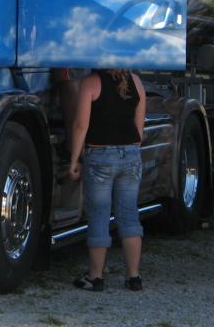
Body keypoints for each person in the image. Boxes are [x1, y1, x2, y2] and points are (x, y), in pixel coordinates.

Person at [67, 69, 146, 292]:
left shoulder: (90, 83)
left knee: (99, 215)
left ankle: (95, 277)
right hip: (131, 154)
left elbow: (81, 125)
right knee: (129, 214)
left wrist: (74, 159)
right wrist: (130, 150)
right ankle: (133, 276)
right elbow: (139, 126)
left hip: (100, 156)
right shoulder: (136, 82)